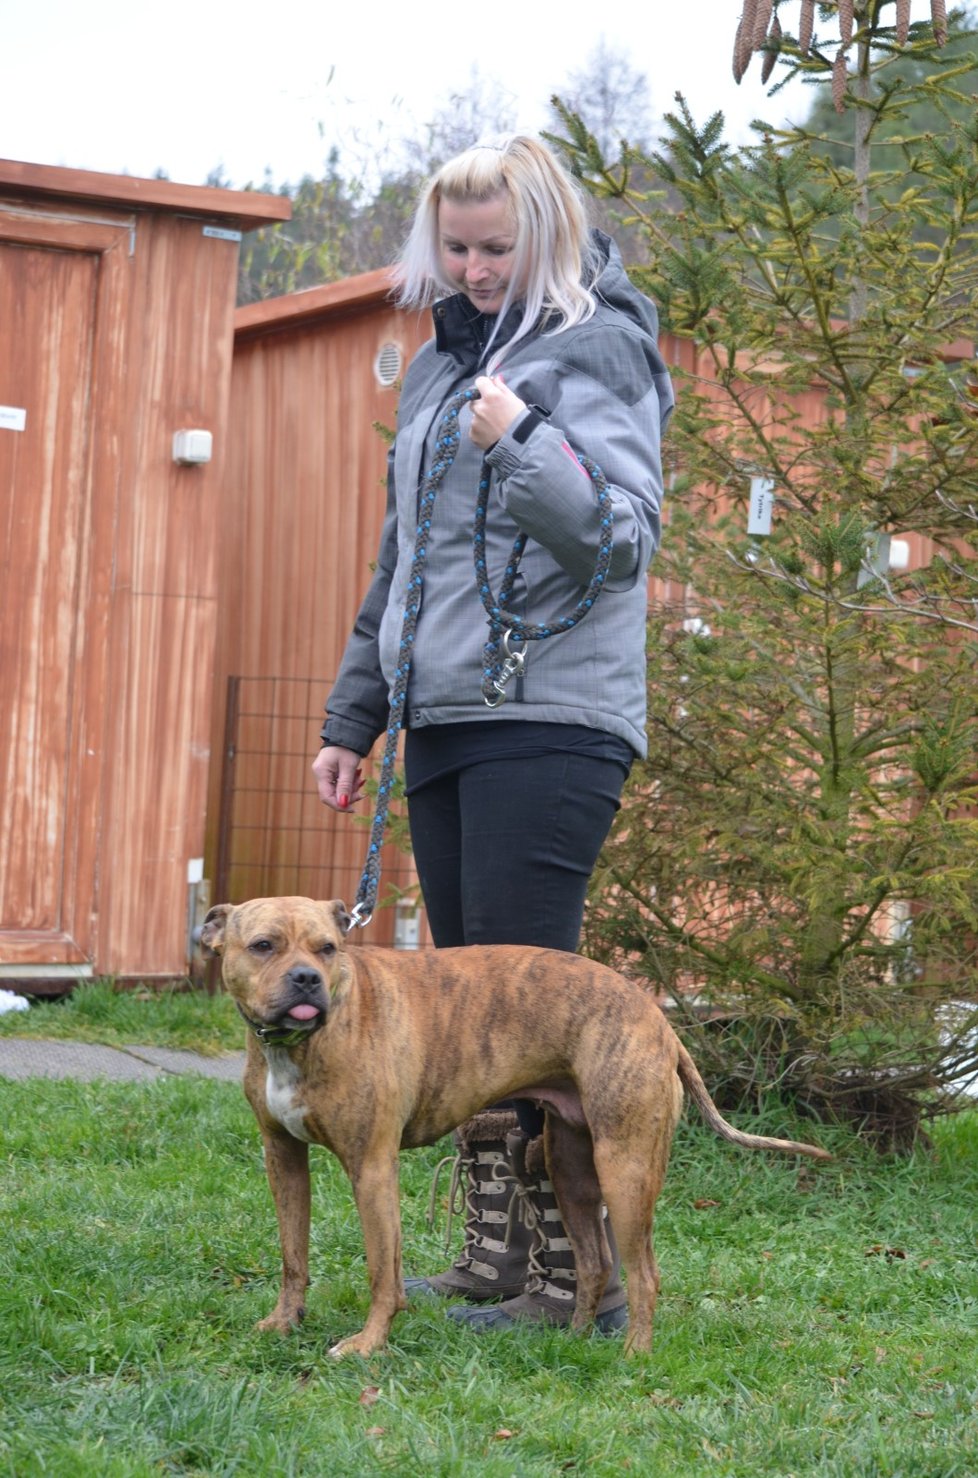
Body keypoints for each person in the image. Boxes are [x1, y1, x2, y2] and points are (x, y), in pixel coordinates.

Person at [312, 134, 674, 1335]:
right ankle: (493, 1261)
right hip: (447, 719)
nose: (471, 268)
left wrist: (521, 437)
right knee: (467, 1011)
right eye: (455, 246)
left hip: (554, 718)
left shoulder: (603, 351)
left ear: (549, 235)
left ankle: (579, 1278)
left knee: (525, 1011)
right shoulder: (434, 369)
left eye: (495, 246)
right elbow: (398, 562)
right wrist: (355, 716)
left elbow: (624, 536)